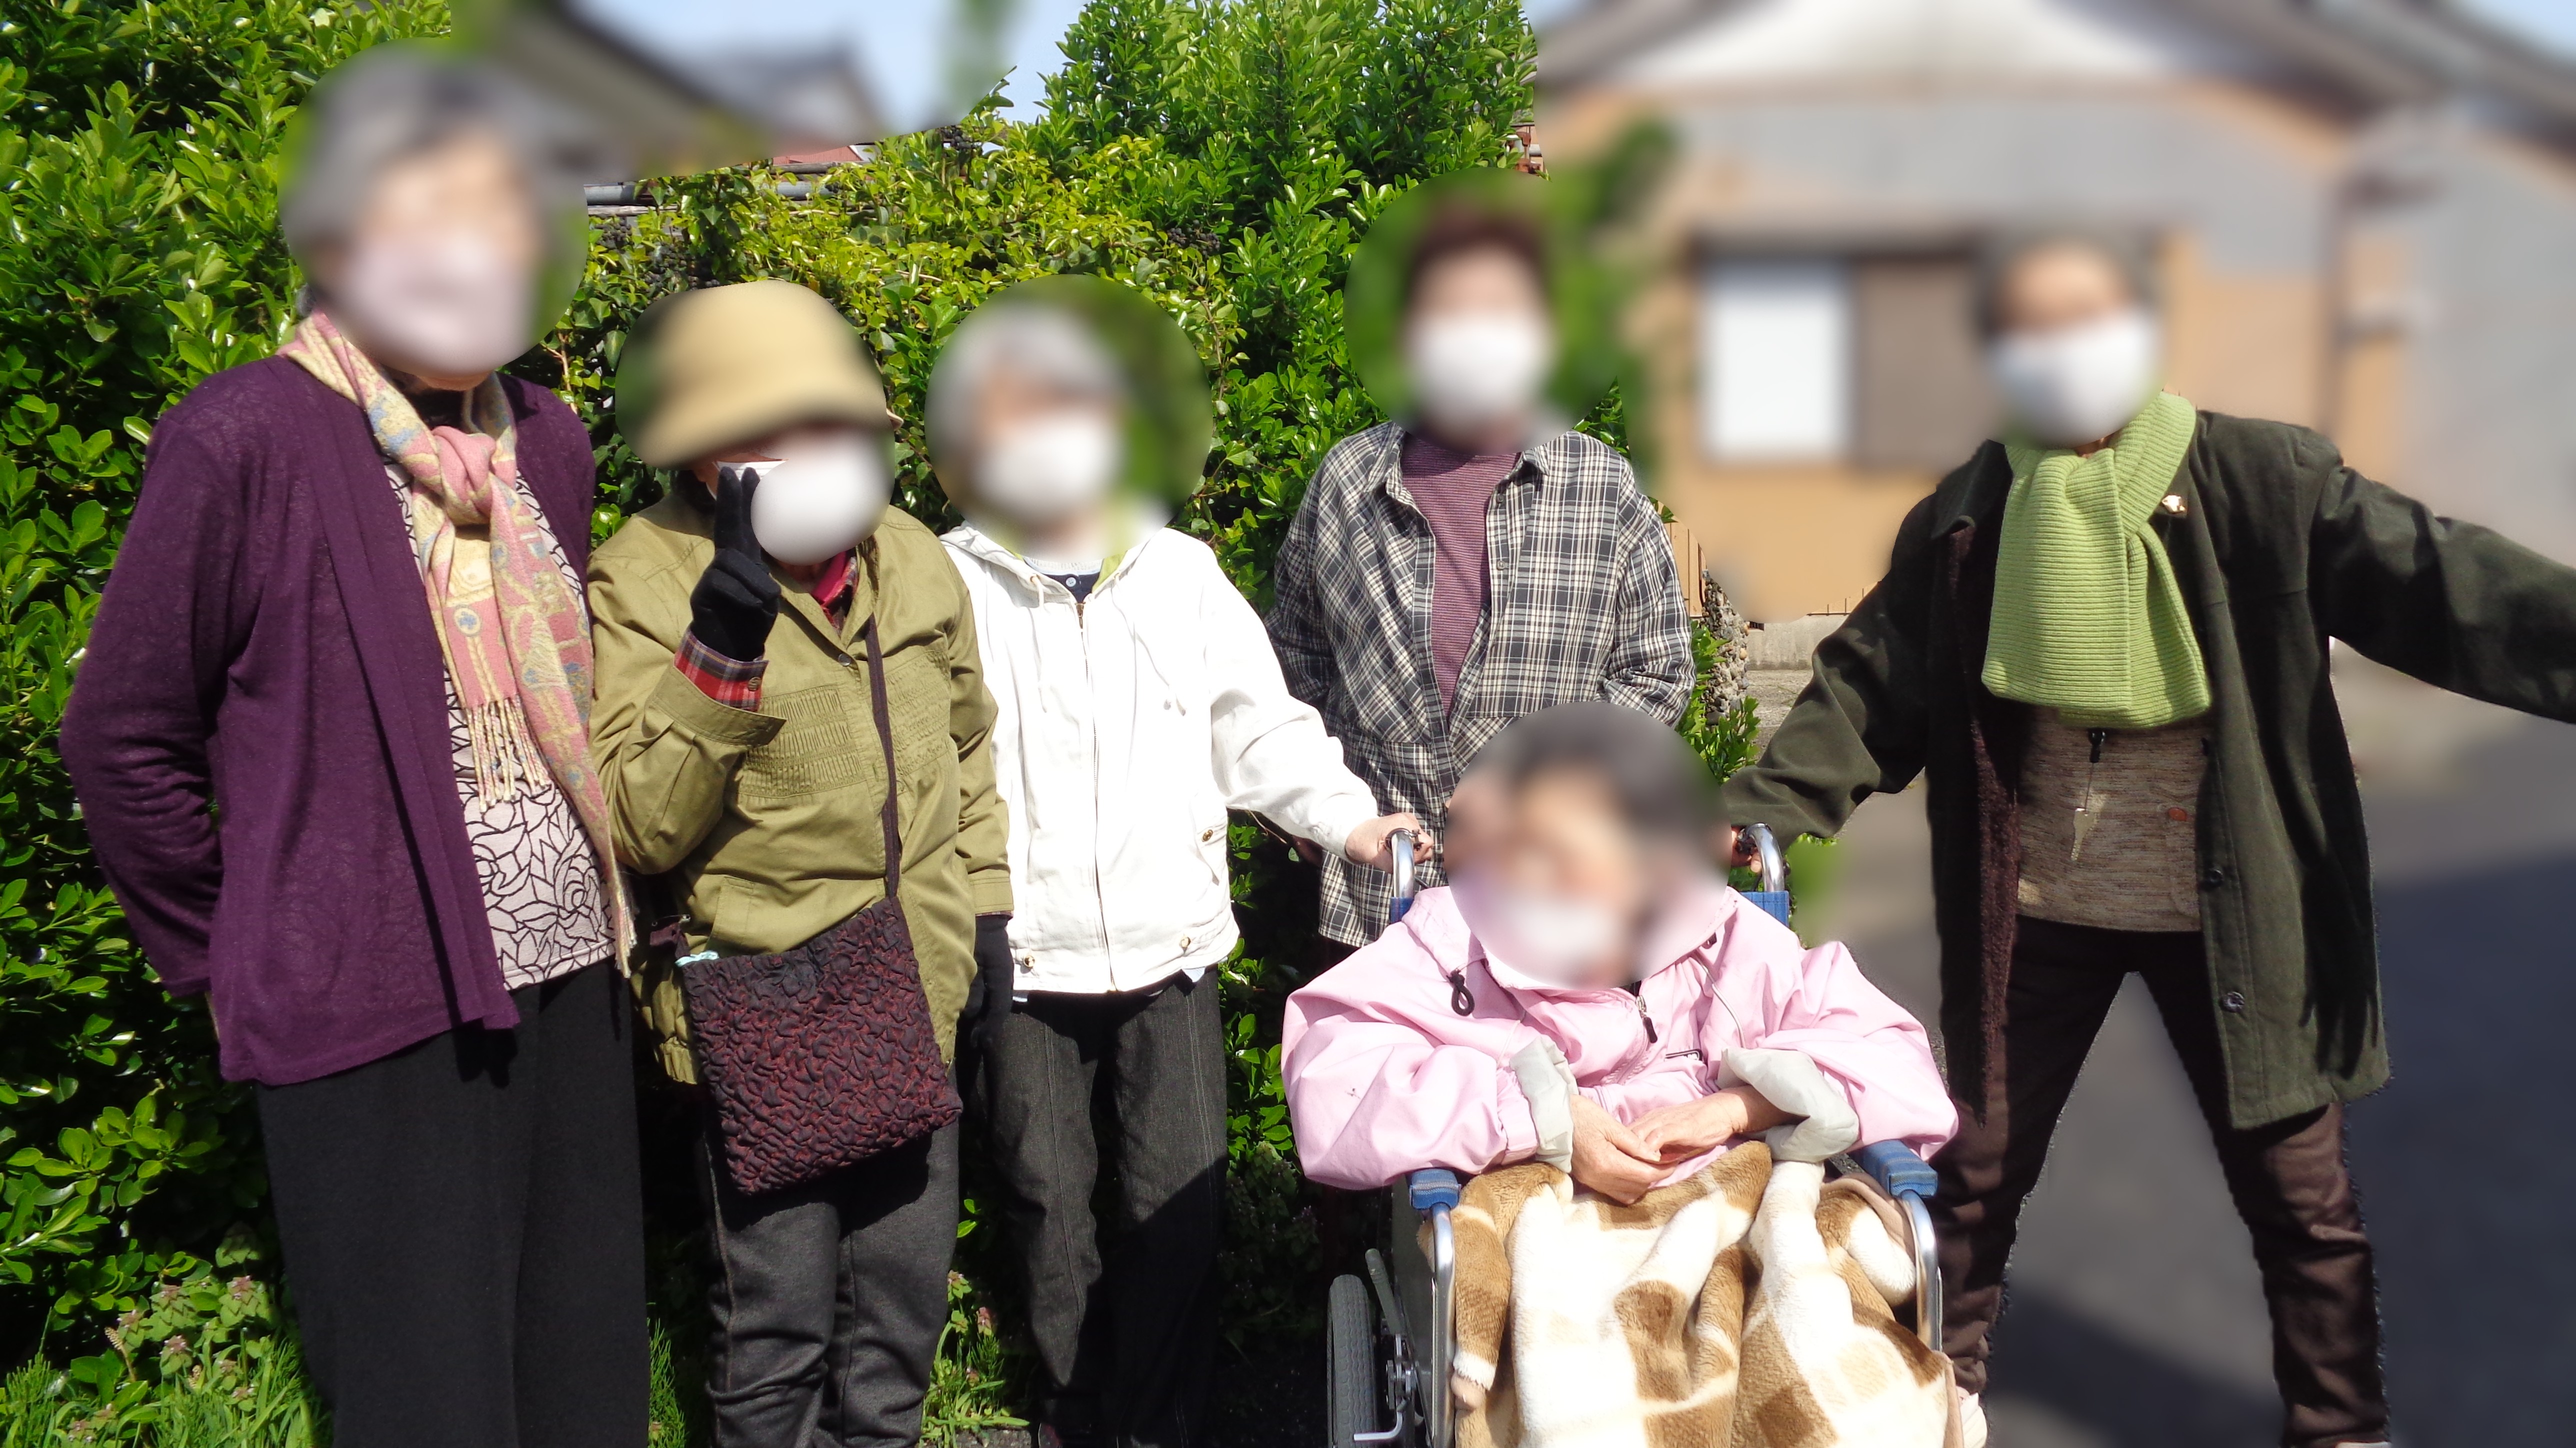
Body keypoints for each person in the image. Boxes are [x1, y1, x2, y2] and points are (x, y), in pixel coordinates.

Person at [1721, 230, 2576, 1448]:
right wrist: (1761, 807)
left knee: (2301, 1203)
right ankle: (1928, 1405)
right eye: (2028, 330)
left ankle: (2339, 1427)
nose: (2059, 352)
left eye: (2084, 321)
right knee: (1968, 1179)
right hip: (2036, 906)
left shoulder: (2261, 479)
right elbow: (1870, 682)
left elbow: (2442, 581)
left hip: (2235, 909)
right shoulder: (1972, 508)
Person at [58, 50, 642, 1448]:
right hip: (373, 1018)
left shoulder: (547, 442)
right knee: (428, 1403)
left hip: (573, 981)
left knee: (584, 1382)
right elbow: (123, 738)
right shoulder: (242, 437)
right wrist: (245, 952)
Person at [928, 278, 1422, 1448]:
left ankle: (1161, 1423)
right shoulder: (947, 579)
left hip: (1173, 945)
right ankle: (1073, 1412)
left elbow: (1258, 727)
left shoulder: (1178, 571)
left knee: (1177, 1205)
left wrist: (1351, 819)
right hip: (1021, 950)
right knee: (1045, 1204)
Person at [587, 279, 1012, 1448]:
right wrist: (719, 650)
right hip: (770, 1005)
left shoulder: (910, 554)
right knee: (773, 1332)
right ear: (710, 449)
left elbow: (967, 743)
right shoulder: (645, 576)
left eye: (840, 422)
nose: (826, 451)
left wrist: (985, 910)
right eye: (786, 427)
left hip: (917, 987)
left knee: (898, 1320)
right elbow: (639, 823)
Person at [1282, 702, 1954, 1199]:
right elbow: (1334, 1081)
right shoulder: (1449, 946)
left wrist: (1741, 1108)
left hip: (1732, 1221)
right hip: (1541, 1237)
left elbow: (1893, 1059)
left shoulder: (1725, 936)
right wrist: (1548, 1119)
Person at [1268, 182, 1695, 956]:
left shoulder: (1600, 485)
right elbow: (1293, 663)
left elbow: (1656, 672)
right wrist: (1315, 805)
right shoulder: (1348, 481)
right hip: (1380, 899)